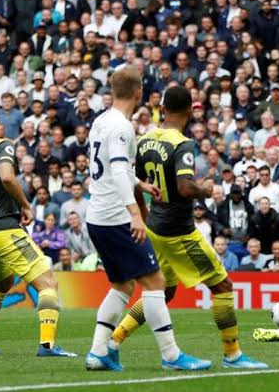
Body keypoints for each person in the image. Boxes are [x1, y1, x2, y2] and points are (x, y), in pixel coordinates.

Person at [109, 86, 267, 369]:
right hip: (178, 231)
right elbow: (184, 188)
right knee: (222, 285)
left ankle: (114, 341)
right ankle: (232, 355)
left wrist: (143, 215)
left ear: (162, 109)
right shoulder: (182, 144)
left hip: (155, 226)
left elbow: (136, 184)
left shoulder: (145, 141)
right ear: (190, 111)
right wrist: (205, 189)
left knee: (162, 291)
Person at [84, 68, 205, 372]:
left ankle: (98, 352)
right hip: (116, 217)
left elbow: (114, 169)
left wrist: (141, 184)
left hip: (96, 215)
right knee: (155, 282)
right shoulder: (122, 127)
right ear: (138, 93)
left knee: (123, 285)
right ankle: (171, 355)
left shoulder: (100, 121)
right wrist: (136, 215)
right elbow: (117, 170)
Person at [0, 99, 75, 357]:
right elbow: (8, 177)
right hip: (5, 231)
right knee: (48, 283)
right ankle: (47, 345)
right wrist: (26, 205)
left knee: (3, 283)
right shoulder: (3, 145)